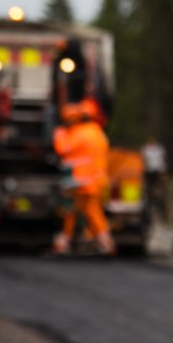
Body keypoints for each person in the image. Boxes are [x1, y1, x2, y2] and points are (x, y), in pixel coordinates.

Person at [52, 103, 114, 255]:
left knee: (88, 211)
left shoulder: (79, 133)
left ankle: (104, 242)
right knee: (77, 210)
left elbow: (64, 149)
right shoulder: (97, 132)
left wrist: (59, 134)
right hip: (96, 180)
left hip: (83, 182)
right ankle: (80, 240)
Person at [141, 137, 168, 221]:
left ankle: (161, 214)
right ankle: (151, 213)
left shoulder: (156, 149)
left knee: (159, 194)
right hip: (150, 174)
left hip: (156, 174)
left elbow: (162, 161)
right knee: (150, 194)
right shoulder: (146, 149)